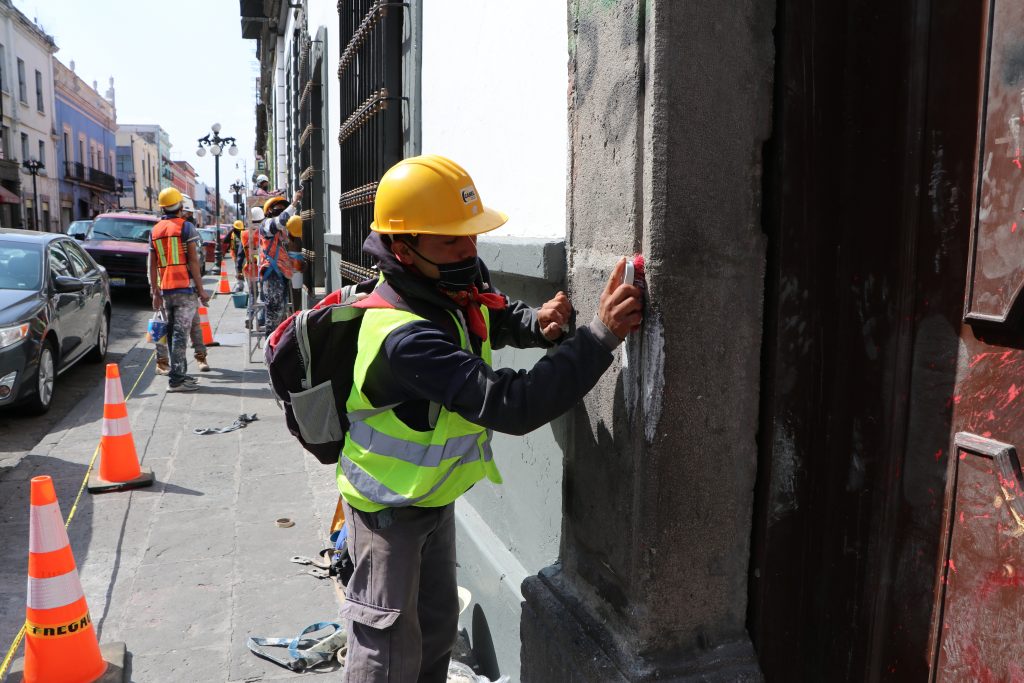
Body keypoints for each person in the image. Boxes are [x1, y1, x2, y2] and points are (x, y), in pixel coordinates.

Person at [335, 155, 643, 682]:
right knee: (387, 654)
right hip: (388, 513)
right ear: (403, 248)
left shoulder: (443, 282)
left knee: (435, 633)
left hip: (433, 498)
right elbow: (512, 404)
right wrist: (598, 337)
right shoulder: (403, 338)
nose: (468, 249)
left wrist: (534, 324)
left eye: (471, 235)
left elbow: (486, 312)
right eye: (451, 241)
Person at [149, 187, 211, 392]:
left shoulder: (155, 230)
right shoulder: (186, 228)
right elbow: (194, 261)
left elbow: (152, 263)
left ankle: (181, 375)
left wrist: (154, 291)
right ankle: (176, 380)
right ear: (180, 206)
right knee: (180, 335)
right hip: (185, 289)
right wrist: (202, 290)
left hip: (166, 289)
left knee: (172, 332)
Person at [258, 191, 301, 333]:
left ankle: (276, 351)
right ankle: (271, 351)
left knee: (281, 318)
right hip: (272, 277)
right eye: (278, 210)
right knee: (274, 320)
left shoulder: (281, 233)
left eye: (284, 209)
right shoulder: (266, 225)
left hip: (281, 277)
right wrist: (294, 203)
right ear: (269, 212)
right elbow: (280, 221)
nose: (281, 212)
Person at [242, 206, 263, 328]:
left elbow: (241, 253)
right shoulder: (265, 231)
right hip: (263, 269)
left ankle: (249, 316)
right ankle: (261, 320)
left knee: (252, 294)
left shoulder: (244, 233)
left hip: (250, 269)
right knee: (264, 295)